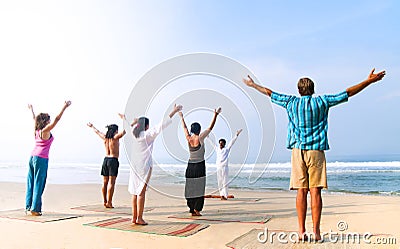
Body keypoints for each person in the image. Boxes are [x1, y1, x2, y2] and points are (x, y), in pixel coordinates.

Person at [243, 68, 386, 241]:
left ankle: (301, 231)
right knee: (315, 192)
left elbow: (270, 93)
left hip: (298, 151)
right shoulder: (322, 102)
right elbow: (347, 93)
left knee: (301, 192)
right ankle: (316, 232)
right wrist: (368, 81)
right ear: (313, 89)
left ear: (299, 90)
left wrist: (253, 85)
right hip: (316, 151)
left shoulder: (291, 102)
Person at [126, 104, 182, 225]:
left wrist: (134, 121)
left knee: (134, 192)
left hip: (134, 166)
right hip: (144, 166)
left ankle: (134, 217)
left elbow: (131, 126)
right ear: (146, 126)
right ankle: (139, 218)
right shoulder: (148, 134)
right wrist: (174, 111)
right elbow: (162, 124)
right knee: (141, 192)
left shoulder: (134, 134)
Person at [26, 101, 72, 216]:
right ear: (45, 122)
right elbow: (57, 119)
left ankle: (28, 206)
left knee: (31, 182)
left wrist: (31, 109)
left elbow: (34, 119)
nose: (50, 121)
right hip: (41, 158)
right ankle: (35, 209)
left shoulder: (37, 131)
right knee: (39, 183)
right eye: (48, 120)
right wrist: (64, 107)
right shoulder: (45, 131)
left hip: (32, 157)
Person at [179, 107, 222, 216]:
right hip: (199, 166)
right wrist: (215, 115)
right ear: (199, 130)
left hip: (190, 165)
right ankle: (197, 209)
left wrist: (181, 117)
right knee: (199, 187)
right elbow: (210, 127)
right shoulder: (200, 137)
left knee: (190, 187)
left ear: (192, 129)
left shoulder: (188, 138)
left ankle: (192, 208)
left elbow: (184, 128)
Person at [87, 115, 126, 208]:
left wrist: (92, 126)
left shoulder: (105, 138)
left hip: (106, 160)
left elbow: (97, 132)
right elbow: (125, 131)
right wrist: (125, 120)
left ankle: (105, 201)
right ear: (115, 130)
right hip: (113, 160)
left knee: (105, 182)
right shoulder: (115, 138)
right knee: (111, 183)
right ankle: (109, 202)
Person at [215, 129, 242, 200]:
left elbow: (232, 142)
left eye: (222, 143)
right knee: (220, 181)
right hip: (218, 167)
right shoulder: (217, 149)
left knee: (225, 182)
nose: (220, 144)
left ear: (224, 144)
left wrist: (236, 135)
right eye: (220, 143)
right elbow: (212, 142)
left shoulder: (226, 149)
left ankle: (225, 195)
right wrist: (207, 136)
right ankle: (221, 195)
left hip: (224, 167)